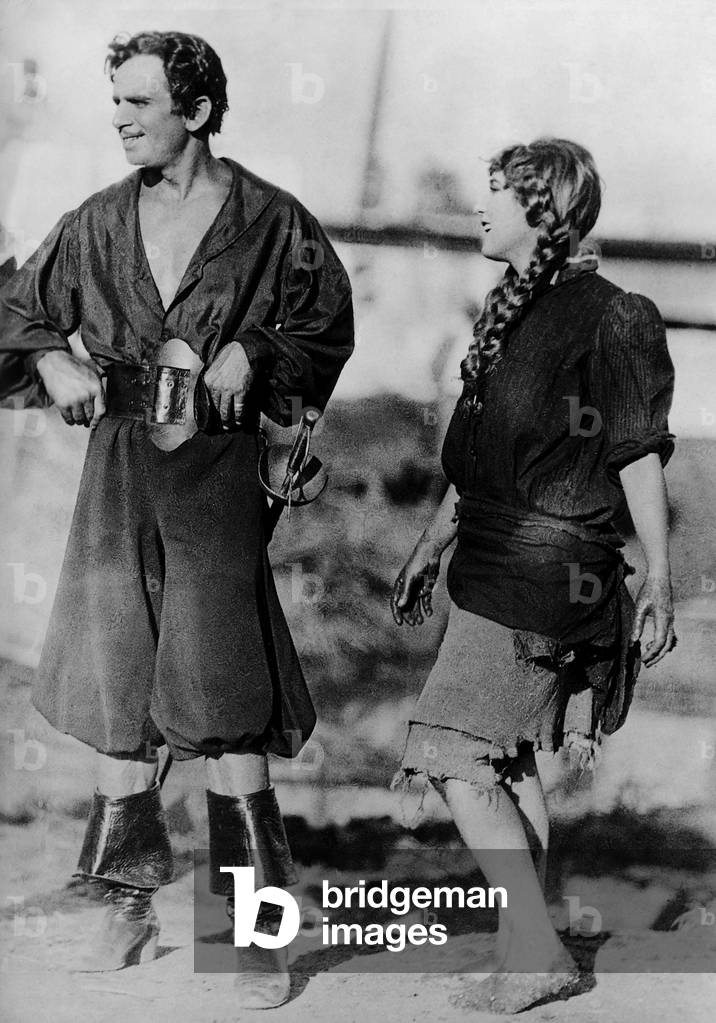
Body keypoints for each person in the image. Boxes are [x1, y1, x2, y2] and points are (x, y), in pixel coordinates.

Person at [0, 30, 353, 1008]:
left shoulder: (273, 222)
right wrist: (47, 355)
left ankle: (255, 938)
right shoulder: (95, 223)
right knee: (117, 685)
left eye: (138, 104)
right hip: (118, 464)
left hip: (213, 469)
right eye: (114, 103)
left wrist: (257, 346)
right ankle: (118, 906)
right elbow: (13, 312)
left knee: (223, 695)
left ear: (194, 111)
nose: (119, 120)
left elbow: (324, 325)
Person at [391, 138, 676, 1014]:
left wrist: (659, 572)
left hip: (553, 574)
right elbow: (478, 466)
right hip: (488, 562)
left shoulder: (614, 315)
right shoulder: (507, 312)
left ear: (544, 209)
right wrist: (428, 548)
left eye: (499, 194)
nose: (482, 209)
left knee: (450, 752)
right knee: (506, 763)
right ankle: (530, 952)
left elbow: (635, 457)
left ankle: (538, 949)